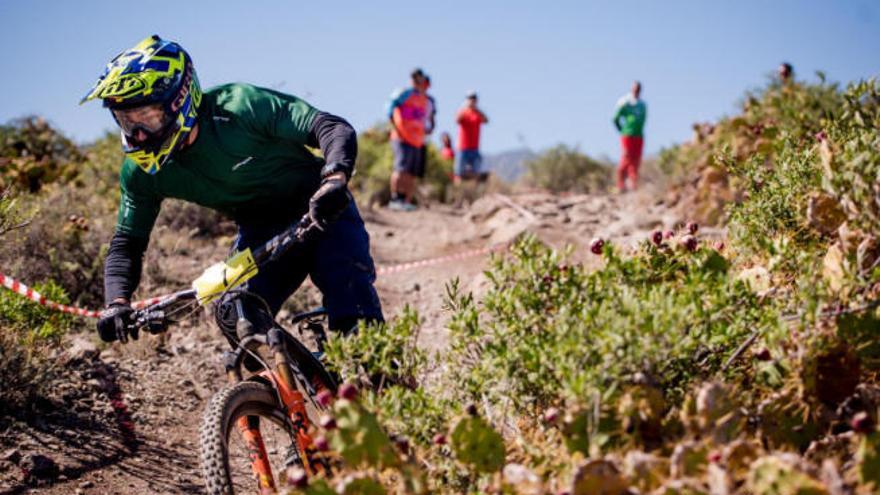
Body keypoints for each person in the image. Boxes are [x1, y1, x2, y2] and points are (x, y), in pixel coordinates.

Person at [83, 35, 383, 345]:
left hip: (322, 208)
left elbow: (331, 127)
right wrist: (117, 303)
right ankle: (287, 389)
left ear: (179, 97)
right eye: (127, 122)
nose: (139, 134)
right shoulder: (141, 173)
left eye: (146, 117)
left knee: (355, 313)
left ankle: (382, 386)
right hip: (263, 230)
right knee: (235, 313)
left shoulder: (240, 107)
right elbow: (127, 244)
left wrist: (334, 179)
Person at [387, 69, 430, 211]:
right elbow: (390, 107)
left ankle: (406, 201)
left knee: (411, 172)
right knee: (400, 168)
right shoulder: (404, 93)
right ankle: (395, 198)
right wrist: (395, 126)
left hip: (417, 140)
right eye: (415, 78)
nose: (417, 82)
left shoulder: (424, 99)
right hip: (401, 137)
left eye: (420, 79)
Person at [612, 81, 647, 193]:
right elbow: (615, 118)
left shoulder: (642, 105)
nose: (636, 90)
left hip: (639, 135)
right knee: (626, 158)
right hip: (627, 135)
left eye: (638, 89)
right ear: (632, 89)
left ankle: (633, 185)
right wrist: (622, 129)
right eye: (635, 88)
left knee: (636, 160)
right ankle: (620, 185)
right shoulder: (625, 103)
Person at [454, 91, 489, 184]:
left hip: (475, 148)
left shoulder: (477, 114)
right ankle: (457, 193)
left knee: (476, 172)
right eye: (470, 98)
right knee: (459, 173)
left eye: (474, 98)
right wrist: (465, 107)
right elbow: (457, 120)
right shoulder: (463, 112)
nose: (472, 100)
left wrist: (476, 109)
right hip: (462, 148)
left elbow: (486, 120)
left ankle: (474, 194)